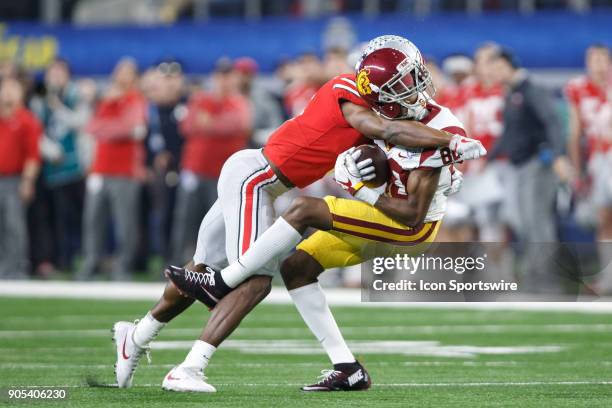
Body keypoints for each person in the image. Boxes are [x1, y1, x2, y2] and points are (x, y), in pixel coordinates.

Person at [111, 35, 486, 392]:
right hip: (256, 180)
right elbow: (387, 129)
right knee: (254, 280)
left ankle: (139, 333)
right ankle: (190, 367)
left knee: (207, 266)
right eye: (403, 82)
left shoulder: (400, 112)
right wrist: (453, 142)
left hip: (263, 182)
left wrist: (438, 163)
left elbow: (398, 145)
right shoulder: (352, 96)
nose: (413, 86)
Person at [488, 48, 574, 293]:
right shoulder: (512, 94)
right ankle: (536, 273)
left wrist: (557, 155)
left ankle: (542, 276)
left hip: (538, 163)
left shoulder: (530, 90)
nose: (492, 73)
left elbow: (552, 121)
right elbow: (508, 134)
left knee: (537, 222)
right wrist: (484, 156)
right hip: (521, 166)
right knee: (525, 221)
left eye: (496, 67)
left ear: (507, 66)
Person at [169, 59, 252, 264]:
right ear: (214, 77)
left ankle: (216, 265)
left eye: (228, 75)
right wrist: (217, 123)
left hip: (224, 174)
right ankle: (179, 262)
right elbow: (187, 127)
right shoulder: (200, 99)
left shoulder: (239, 103)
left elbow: (239, 124)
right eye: (220, 75)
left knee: (221, 222)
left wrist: (208, 123)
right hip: (195, 169)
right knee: (186, 219)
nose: (224, 80)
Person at [78, 58, 148, 281]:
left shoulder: (136, 99)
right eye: (119, 71)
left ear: (134, 77)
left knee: (125, 223)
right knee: (93, 220)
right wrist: (112, 128)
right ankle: (91, 263)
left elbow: (130, 127)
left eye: (127, 72)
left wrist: (107, 129)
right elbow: (91, 127)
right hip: (100, 169)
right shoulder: (106, 100)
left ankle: (123, 265)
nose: (121, 76)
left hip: (125, 171)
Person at [30, 58, 90, 273]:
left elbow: (81, 122)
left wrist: (58, 107)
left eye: (59, 71)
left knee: (75, 216)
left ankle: (77, 257)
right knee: (51, 217)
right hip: (50, 168)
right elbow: (35, 129)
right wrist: (48, 149)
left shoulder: (75, 95)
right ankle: (54, 259)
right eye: (51, 72)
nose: (55, 76)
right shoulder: (39, 98)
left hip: (74, 168)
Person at [565, 45, 612, 293]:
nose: (599, 64)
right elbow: (575, 132)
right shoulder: (578, 89)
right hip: (598, 159)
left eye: (603, 59)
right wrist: (577, 169)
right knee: (604, 220)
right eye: (594, 59)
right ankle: (607, 280)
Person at [0, 78, 42, 279]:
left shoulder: (27, 120)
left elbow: (33, 155)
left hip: (14, 179)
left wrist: (27, 181)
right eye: (4, 89)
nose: (7, 93)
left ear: (21, 93)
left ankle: (16, 268)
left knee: (14, 225)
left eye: (12, 89)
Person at [234, 57, 284, 147]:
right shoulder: (230, 94)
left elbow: (276, 125)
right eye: (240, 74)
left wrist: (256, 135)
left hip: (257, 143)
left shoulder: (264, 96)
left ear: (253, 75)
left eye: (246, 74)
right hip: (232, 141)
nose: (243, 78)